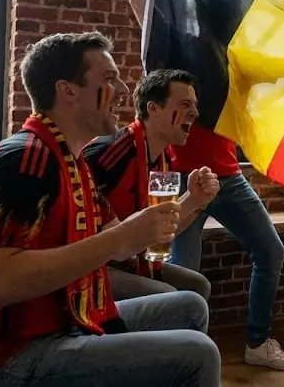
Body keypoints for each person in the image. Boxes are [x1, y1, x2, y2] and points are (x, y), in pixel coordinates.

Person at [0, 32, 221, 387]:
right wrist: (117, 240)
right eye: (108, 79)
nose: (122, 90)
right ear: (68, 90)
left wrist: (188, 202)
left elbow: (126, 237)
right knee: (198, 354)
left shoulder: (73, 162)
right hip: (2, 359)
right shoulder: (26, 160)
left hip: (67, 319)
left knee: (190, 306)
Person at [129, 0, 284, 370]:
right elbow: (139, 2)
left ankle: (257, 342)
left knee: (270, 250)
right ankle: (183, 354)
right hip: (179, 181)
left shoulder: (237, 62)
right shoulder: (175, 47)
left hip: (228, 178)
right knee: (184, 275)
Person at [83, 69, 217, 302]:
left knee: (197, 285)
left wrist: (195, 199)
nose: (195, 113)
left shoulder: (164, 159)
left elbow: (165, 231)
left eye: (194, 105)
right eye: (185, 104)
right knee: (171, 298)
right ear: (153, 109)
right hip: (90, 265)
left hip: (130, 259)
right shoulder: (113, 152)